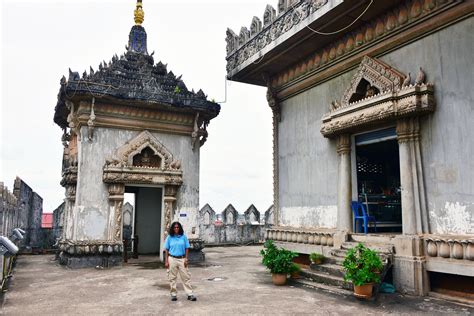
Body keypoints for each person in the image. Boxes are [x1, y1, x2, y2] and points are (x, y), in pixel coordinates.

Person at [164, 221, 197, 302]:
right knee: (172, 277)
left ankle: (190, 294)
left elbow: (187, 248)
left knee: (186, 277)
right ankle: (173, 294)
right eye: (174, 227)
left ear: (180, 228)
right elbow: (166, 249)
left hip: (182, 259)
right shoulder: (169, 237)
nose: (176, 229)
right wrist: (166, 261)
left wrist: (186, 258)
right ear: (172, 228)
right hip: (172, 258)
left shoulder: (183, 237)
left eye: (177, 227)